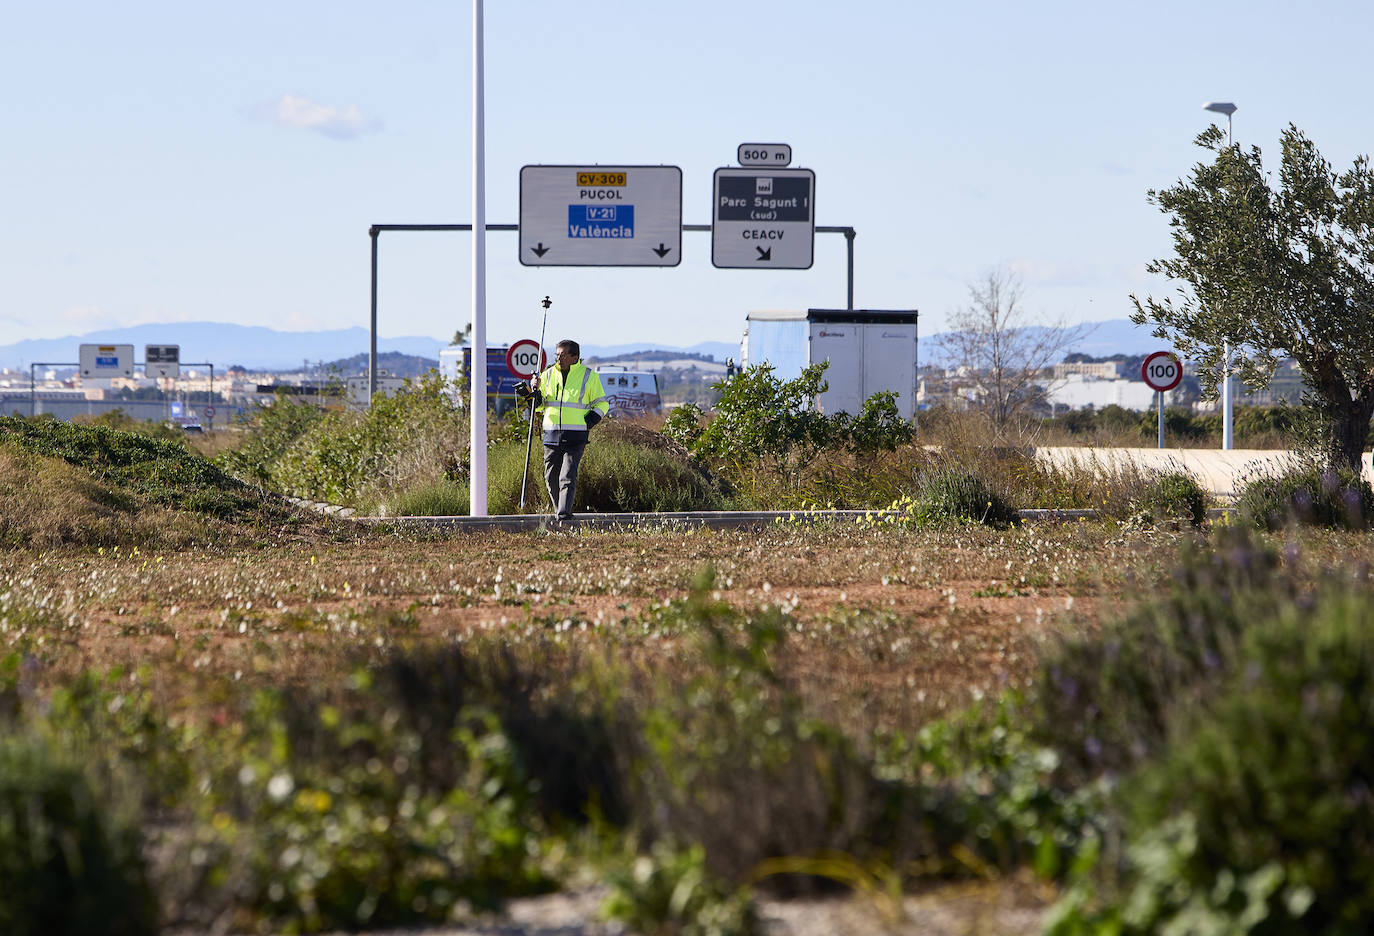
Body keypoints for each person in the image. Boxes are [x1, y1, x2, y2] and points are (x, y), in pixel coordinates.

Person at [516, 339, 609, 524]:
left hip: (576, 436)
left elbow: (602, 403)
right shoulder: (547, 375)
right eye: (557, 355)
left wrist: (588, 421)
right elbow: (539, 406)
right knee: (550, 478)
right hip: (551, 435)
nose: (558, 358)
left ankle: (564, 515)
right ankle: (560, 510)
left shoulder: (589, 376)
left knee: (567, 476)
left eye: (563, 355)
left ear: (575, 357)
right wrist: (530, 393)